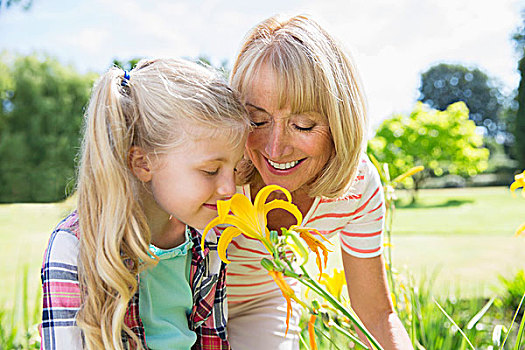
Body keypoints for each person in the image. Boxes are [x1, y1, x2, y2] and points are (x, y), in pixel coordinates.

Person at [226, 14, 413, 349]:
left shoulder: (357, 186)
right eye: (257, 120)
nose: (275, 147)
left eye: (303, 125)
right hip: (183, 296)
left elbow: (374, 315)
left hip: (263, 304)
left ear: (340, 124)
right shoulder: (213, 165)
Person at [40, 58, 250, 350]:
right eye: (211, 171)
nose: (230, 188)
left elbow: (213, 340)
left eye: (237, 169)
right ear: (142, 163)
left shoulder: (209, 243)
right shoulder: (74, 247)